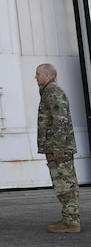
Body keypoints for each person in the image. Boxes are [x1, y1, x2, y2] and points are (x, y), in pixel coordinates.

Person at [35, 63, 80, 233]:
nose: (35, 76)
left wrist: (59, 147)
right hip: (55, 146)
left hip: (58, 147)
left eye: (38, 73)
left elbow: (59, 119)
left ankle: (71, 221)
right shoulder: (48, 92)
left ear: (47, 75)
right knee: (65, 181)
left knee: (64, 182)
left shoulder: (53, 92)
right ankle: (70, 217)